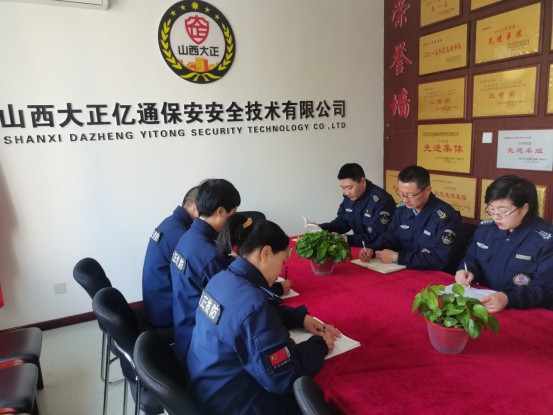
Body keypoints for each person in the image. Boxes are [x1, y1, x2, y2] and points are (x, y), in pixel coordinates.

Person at [186, 214, 340, 415]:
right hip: (237, 403)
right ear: (266, 253)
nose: (281, 272)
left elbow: (246, 318)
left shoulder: (221, 279)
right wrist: (320, 345)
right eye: (282, 261)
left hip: (210, 389)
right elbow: (283, 378)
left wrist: (300, 317)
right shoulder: (255, 306)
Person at [455, 175, 553, 312]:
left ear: (524, 209)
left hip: (522, 311)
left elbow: (546, 287)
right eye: (492, 209)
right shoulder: (485, 230)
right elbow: (471, 259)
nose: (496, 216)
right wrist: (466, 271)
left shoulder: (547, 240)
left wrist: (508, 298)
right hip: (483, 304)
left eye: (503, 210)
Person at [171, 178, 241, 362]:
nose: (233, 218)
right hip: (200, 347)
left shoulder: (187, 237)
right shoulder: (209, 256)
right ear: (220, 212)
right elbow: (235, 304)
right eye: (233, 213)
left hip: (183, 331)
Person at [360, 165, 465, 274]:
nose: (405, 200)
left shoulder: (446, 218)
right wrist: (373, 248)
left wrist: (397, 257)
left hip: (435, 275)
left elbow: (439, 259)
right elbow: (390, 236)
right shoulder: (402, 210)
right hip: (406, 270)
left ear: (427, 190)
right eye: (401, 194)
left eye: (410, 195)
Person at [141, 186, 199, 329]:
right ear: (197, 209)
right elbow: (197, 276)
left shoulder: (170, 223)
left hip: (154, 306)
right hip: (165, 317)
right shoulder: (179, 234)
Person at [318, 163, 396, 247]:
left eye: (349, 187)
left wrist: (346, 239)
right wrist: (320, 228)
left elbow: (377, 235)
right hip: (360, 247)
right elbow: (343, 222)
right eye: (343, 188)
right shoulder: (350, 196)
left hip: (378, 250)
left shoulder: (382, 200)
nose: (346, 192)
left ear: (363, 181)